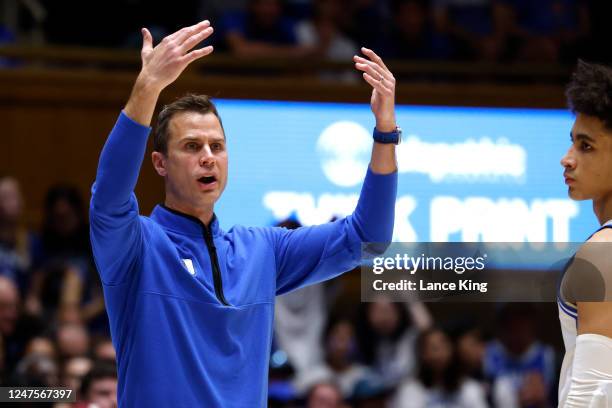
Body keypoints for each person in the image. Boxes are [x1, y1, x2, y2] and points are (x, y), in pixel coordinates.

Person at [89, 19, 398, 406]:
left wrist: (386, 132)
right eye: (191, 146)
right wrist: (147, 88)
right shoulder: (136, 246)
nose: (207, 157)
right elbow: (109, 197)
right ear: (160, 163)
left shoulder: (262, 250)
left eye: (216, 147)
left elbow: (367, 238)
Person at [558, 60, 612, 406]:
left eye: (586, 146)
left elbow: (592, 395)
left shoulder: (602, 251)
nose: (567, 158)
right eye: (572, 143)